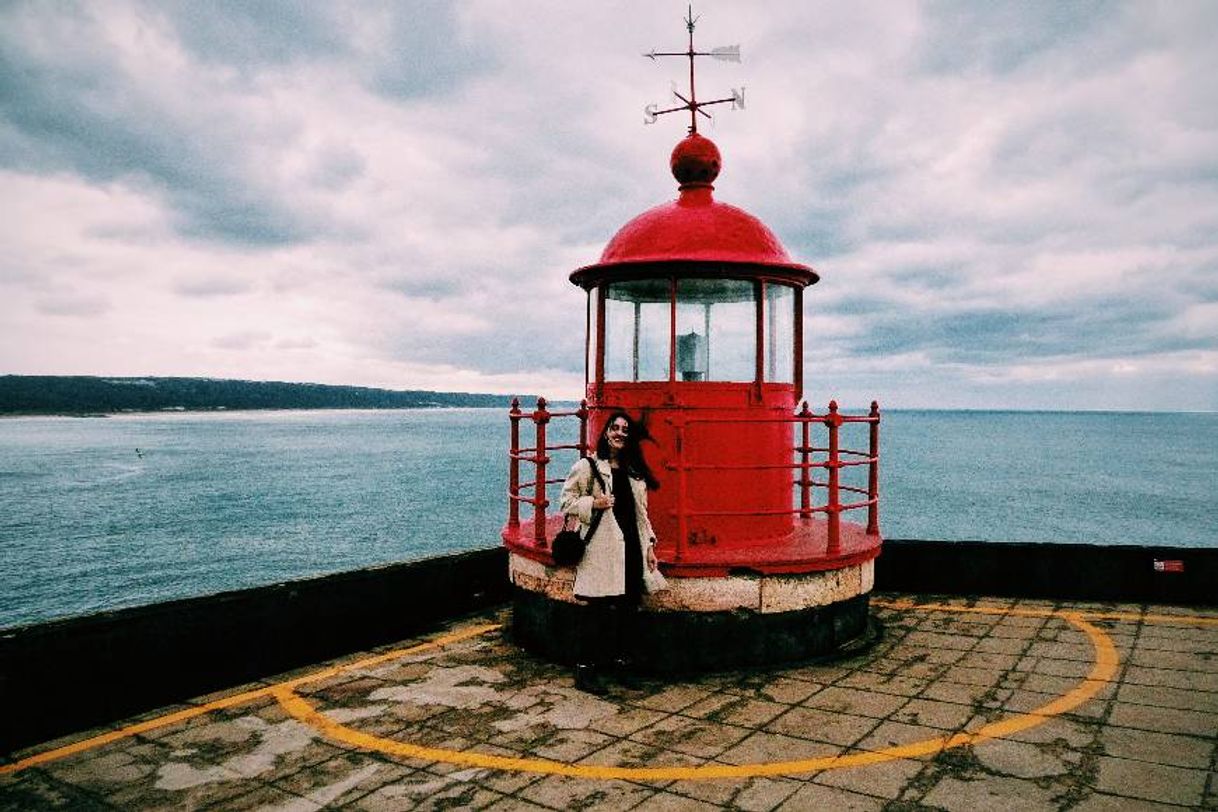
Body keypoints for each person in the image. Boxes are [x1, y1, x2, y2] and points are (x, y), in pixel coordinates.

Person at [559, 411, 661, 694]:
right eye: (614, 428)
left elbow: (642, 515)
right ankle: (585, 671)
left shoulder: (634, 473)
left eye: (625, 430)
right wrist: (595, 502)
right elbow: (566, 502)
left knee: (628, 610)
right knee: (597, 613)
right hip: (601, 550)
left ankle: (623, 667)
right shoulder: (588, 466)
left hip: (630, 549)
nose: (619, 433)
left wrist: (650, 546)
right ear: (605, 433)